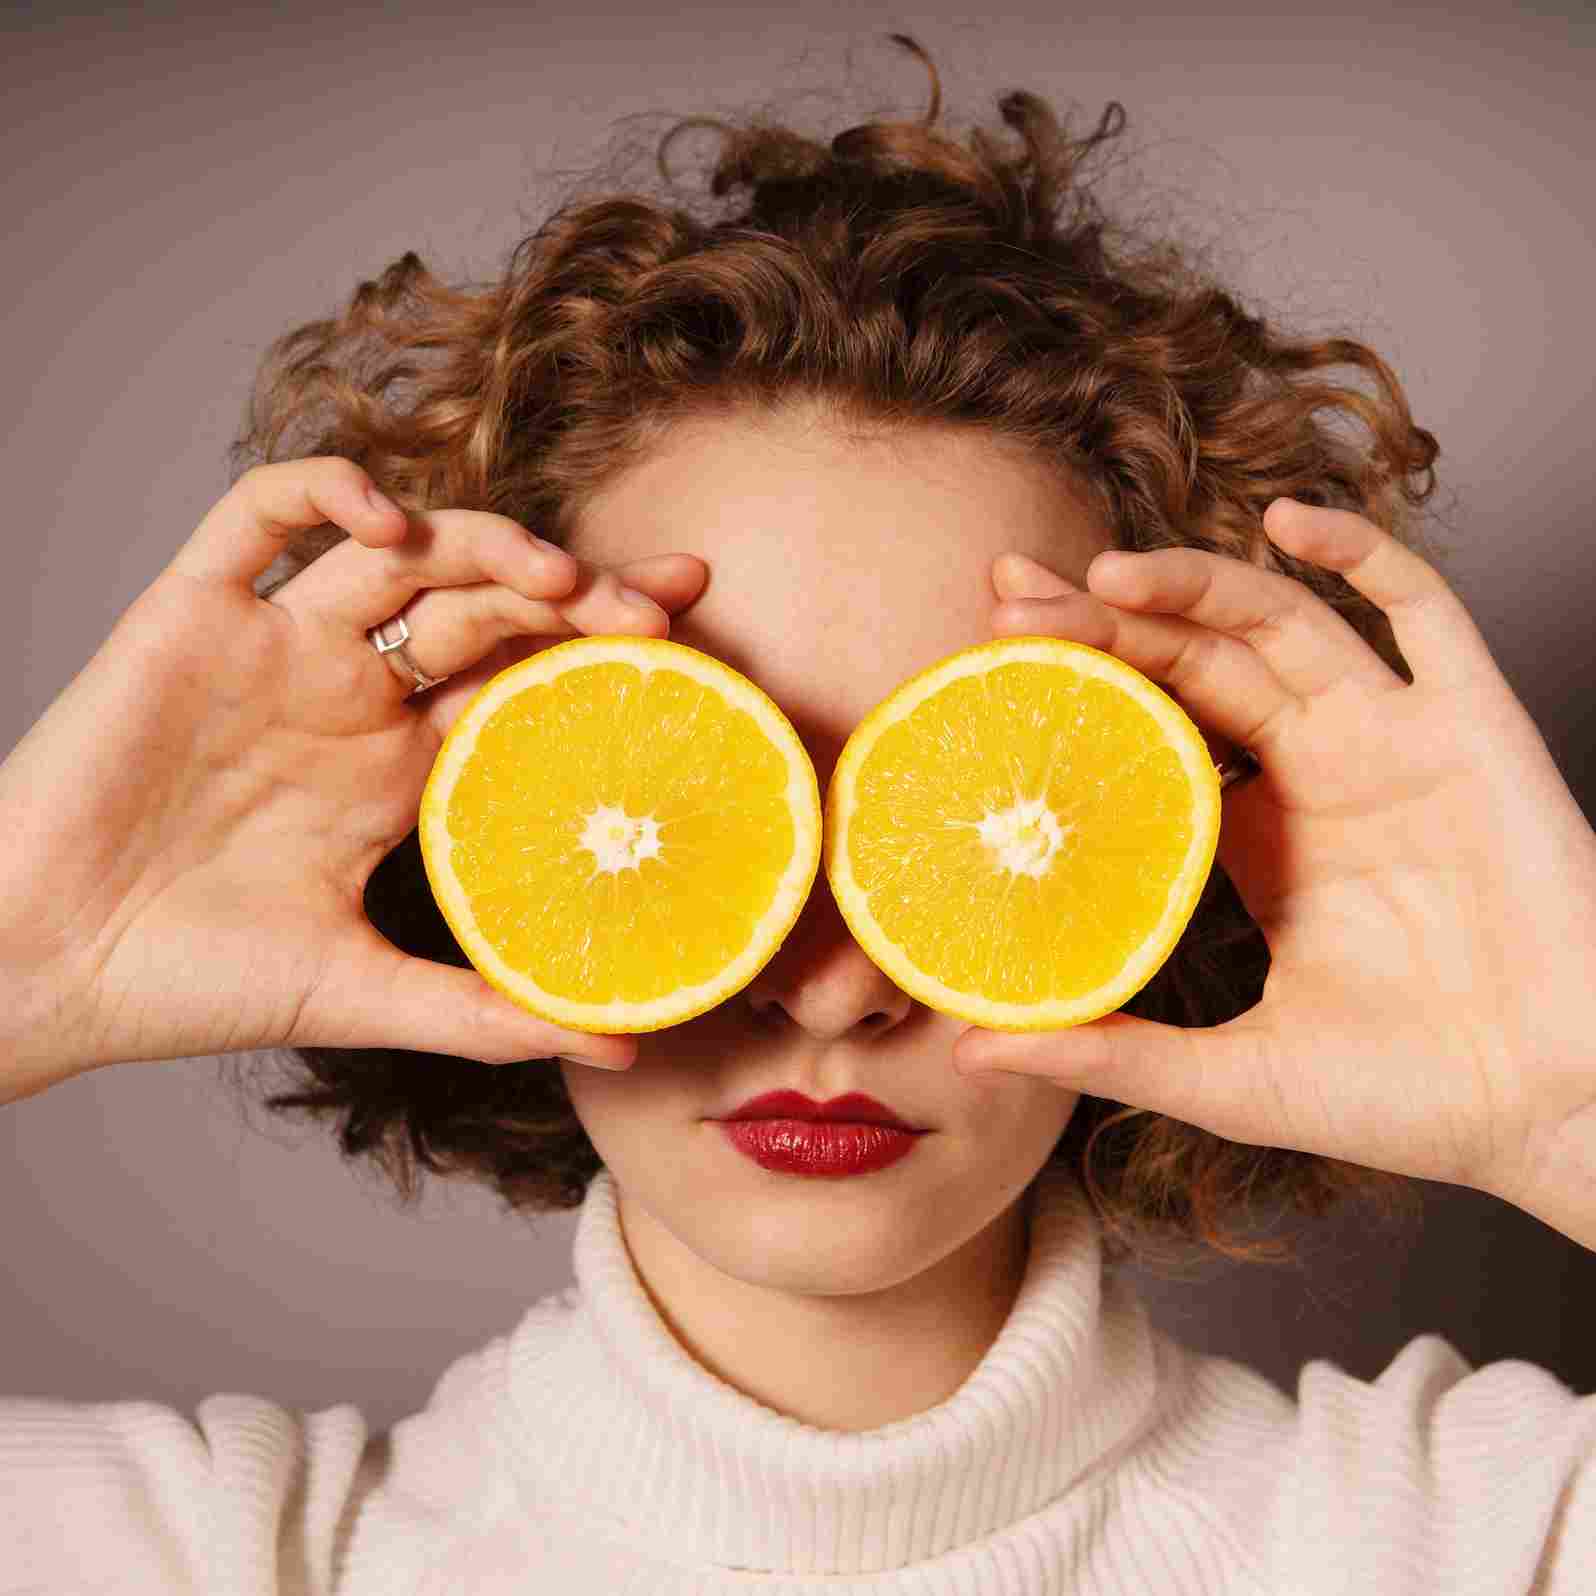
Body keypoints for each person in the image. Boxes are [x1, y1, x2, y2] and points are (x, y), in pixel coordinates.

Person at [2, 33, 1593, 1594]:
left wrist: (1571, 1103)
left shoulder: (1488, 1538)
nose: (833, 983)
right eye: (699, 788)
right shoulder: (192, 1553)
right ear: (474, 813)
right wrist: (31, 950)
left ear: (1175, 843)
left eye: (967, 798)